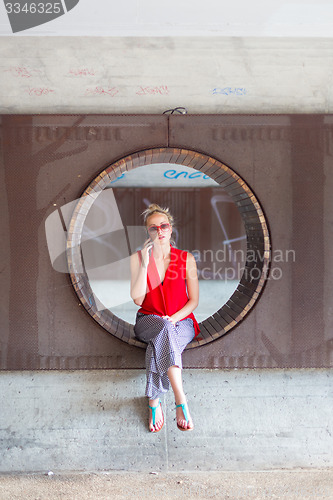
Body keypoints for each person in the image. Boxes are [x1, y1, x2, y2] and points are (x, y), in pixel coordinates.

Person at [130, 203, 200, 433]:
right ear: (148, 232)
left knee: (161, 337)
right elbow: (138, 300)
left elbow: (193, 302)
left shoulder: (185, 258)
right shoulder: (139, 258)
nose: (159, 231)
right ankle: (181, 400)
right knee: (161, 327)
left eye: (163, 226)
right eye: (153, 228)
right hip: (149, 320)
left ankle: (154, 401)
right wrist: (145, 263)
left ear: (171, 229)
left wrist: (174, 318)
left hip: (182, 321)